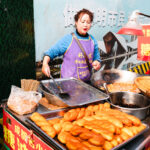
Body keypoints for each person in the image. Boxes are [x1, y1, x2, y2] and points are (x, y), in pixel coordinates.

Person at [42, 8, 101, 82]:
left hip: (86, 84)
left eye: (88, 22)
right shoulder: (68, 39)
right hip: (68, 83)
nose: (85, 25)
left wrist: (97, 63)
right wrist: (45, 64)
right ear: (76, 22)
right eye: (83, 22)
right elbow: (50, 52)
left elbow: (97, 59)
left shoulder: (92, 40)